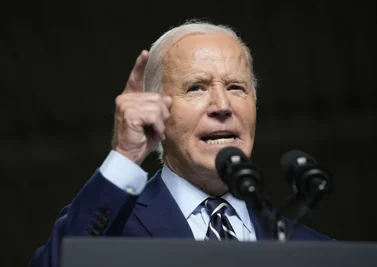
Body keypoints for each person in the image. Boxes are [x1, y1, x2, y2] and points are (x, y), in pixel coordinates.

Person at [29, 20, 330, 267]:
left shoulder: (316, 252)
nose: (222, 105)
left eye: (236, 87)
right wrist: (125, 156)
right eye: (196, 88)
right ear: (155, 107)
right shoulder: (109, 229)